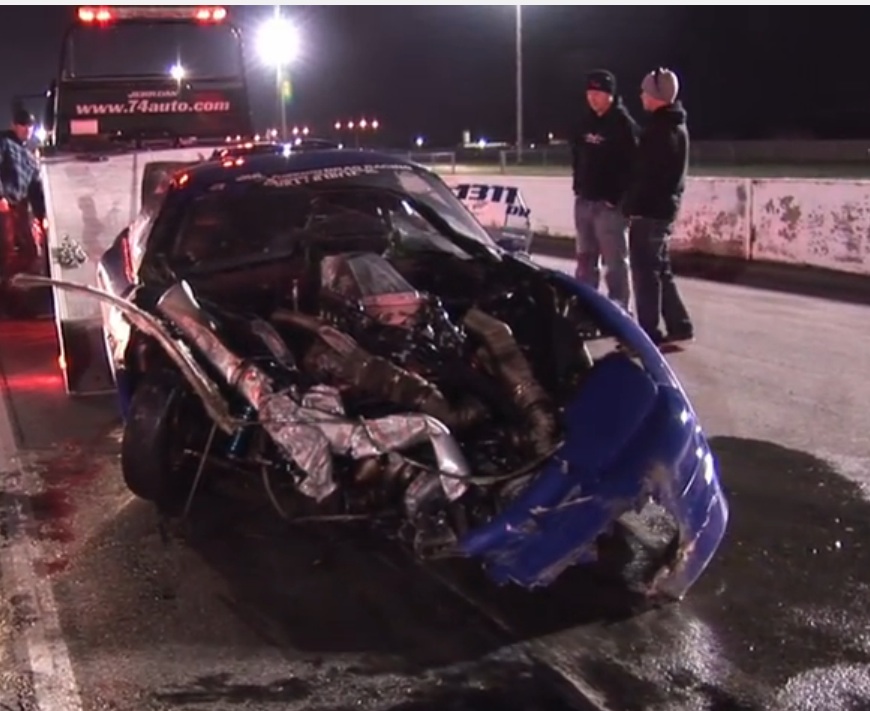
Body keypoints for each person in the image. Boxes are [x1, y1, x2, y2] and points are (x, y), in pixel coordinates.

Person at [623, 68, 694, 345]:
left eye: (645, 91)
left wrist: (630, 205)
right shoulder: (675, 125)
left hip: (649, 212)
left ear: (656, 95)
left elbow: (645, 176)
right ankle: (680, 324)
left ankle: (647, 334)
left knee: (645, 274)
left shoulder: (659, 132)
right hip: (664, 210)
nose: (641, 95)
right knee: (660, 270)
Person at [570, 69, 638, 312]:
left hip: (609, 207)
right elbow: (577, 155)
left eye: (598, 92)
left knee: (615, 263)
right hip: (585, 201)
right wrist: (578, 186)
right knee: (585, 260)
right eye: (589, 92)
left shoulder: (623, 125)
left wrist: (616, 198)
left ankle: (619, 310)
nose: (592, 97)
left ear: (610, 94)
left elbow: (633, 167)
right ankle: (586, 307)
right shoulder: (584, 122)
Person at [0, 107, 47, 317]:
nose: (26, 130)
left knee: (31, 251)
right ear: (14, 126)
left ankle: (19, 296)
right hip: (4, 204)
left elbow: (35, 188)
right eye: (23, 126)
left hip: (20, 207)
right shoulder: (4, 143)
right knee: (5, 251)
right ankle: (6, 302)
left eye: (29, 126)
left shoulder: (29, 156)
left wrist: (42, 215)